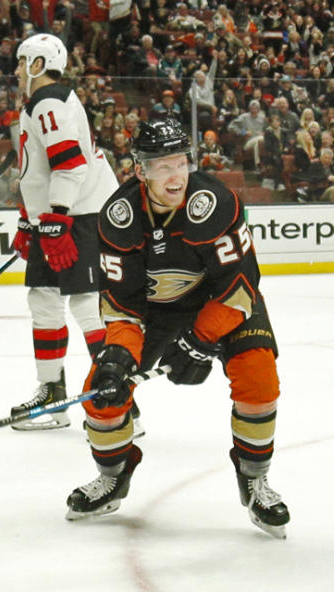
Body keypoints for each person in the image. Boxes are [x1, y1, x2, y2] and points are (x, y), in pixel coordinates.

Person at [65, 118, 289, 539]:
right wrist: (118, 355)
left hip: (223, 305)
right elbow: (122, 306)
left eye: (181, 162)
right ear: (140, 171)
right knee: (102, 394)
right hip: (158, 313)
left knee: (259, 379)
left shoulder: (215, 203)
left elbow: (241, 286)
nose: (176, 174)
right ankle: (115, 473)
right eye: (162, 165)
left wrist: (200, 341)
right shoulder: (119, 218)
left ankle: (255, 480)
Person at [7, 34, 121, 431]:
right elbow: (37, 170)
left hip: (81, 215)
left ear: (38, 65)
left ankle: (120, 404)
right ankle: (53, 395)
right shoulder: (40, 103)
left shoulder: (49, 100)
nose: (17, 70)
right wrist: (31, 218)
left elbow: (70, 163)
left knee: (88, 305)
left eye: (22, 63)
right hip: (60, 216)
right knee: (44, 301)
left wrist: (55, 217)